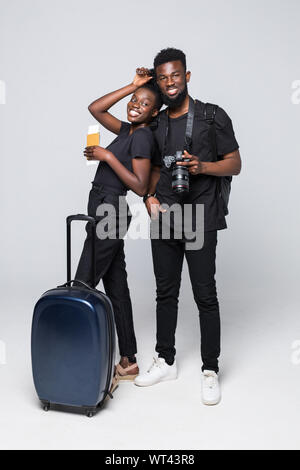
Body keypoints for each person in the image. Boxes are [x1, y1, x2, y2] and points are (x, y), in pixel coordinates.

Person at [134, 48, 241, 405]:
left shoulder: (212, 116)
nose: (170, 82)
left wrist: (202, 167)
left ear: (187, 75)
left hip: (200, 216)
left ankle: (210, 369)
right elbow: (153, 167)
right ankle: (165, 360)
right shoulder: (156, 121)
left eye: (175, 75)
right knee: (165, 293)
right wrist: (148, 198)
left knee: (204, 294)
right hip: (164, 214)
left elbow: (235, 164)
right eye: (162, 77)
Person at [74, 69, 162, 385]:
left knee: (82, 283)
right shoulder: (128, 130)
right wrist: (133, 85)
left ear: (155, 112)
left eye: (144, 102)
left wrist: (107, 156)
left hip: (110, 206)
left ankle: (73, 356)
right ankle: (128, 360)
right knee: (116, 286)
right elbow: (95, 108)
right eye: (134, 100)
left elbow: (140, 186)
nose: (135, 104)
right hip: (103, 204)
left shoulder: (142, 135)